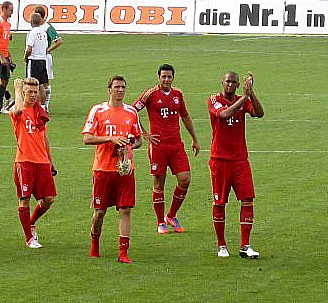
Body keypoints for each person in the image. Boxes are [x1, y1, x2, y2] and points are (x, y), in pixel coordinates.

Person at [82, 75, 146, 263]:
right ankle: (95, 243)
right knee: (100, 211)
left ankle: (123, 252)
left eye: (123, 87)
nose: (120, 90)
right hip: (103, 169)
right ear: (109, 89)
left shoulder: (131, 112)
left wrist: (129, 147)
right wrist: (110, 139)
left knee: (125, 210)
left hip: (124, 170)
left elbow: (139, 139)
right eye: (117, 87)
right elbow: (87, 138)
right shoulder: (98, 111)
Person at [134, 63, 201, 234]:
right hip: (158, 146)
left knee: (185, 179)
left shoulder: (178, 95)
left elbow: (185, 116)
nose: (166, 79)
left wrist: (195, 139)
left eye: (169, 76)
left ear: (173, 77)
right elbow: (133, 111)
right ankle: (160, 222)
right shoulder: (150, 94)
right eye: (163, 76)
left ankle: (171, 215)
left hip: (176, 145)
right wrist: (144, 134)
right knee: (159, 183)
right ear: (158, 77)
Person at [208, 70, 264, 259]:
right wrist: (244, 98)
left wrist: (251, 94)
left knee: (248, 199)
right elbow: (223, 114)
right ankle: (221, 245)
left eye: (234, 83)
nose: (230, 85)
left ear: (239, 85)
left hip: (240, 160)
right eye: (228, 82)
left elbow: (259, 113)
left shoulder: (244, 99)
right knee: (220, 202)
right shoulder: (213, 99)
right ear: (222, 82)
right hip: (219, 160)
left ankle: (245, 245)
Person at [9, 77, 56, 249]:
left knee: (49, 199)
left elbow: (44, 137)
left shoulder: (39, 112)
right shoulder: (16, 109)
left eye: (36, 92)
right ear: (23, 93)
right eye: (29, 92)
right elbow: (19, 110)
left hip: (42, 162)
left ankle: (30, 222)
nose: (33, 95)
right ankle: (29, 238)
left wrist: (50, 161)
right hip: (24, 162)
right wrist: (16, 88)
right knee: (25, 200)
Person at [24, 7, 62, 109]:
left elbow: (58, 41)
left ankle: (44, 105)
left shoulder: (47, 28)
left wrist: (47, 50)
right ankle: (43, 106)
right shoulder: (41, 29)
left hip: (42, 57)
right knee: (41, 83)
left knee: (42, 83)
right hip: (41, 57)